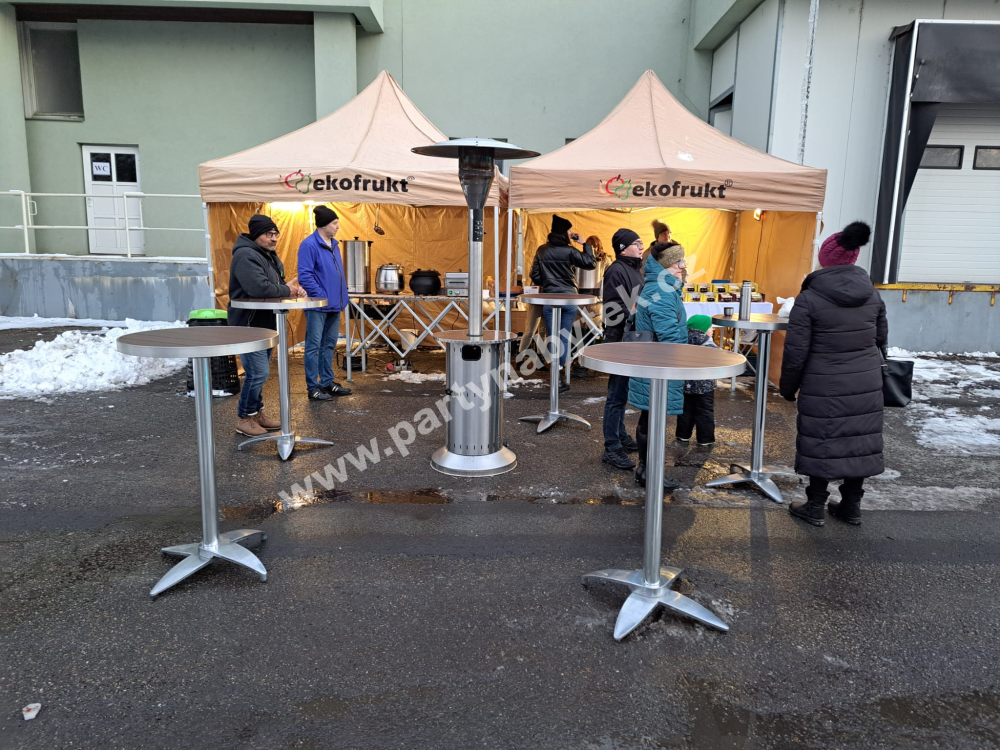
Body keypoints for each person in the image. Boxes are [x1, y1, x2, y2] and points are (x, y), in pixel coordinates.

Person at [780, 222, 887, 527]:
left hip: (824, 380)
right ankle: (851, 506)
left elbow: (796, 351)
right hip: (865, 380)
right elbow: (881, 339)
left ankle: (815, 506)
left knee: (822, 439)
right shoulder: (872, 293)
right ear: (853, 258)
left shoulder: (809, 297)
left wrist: (788, 388)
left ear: (824, 259)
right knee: (858, 440)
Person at [228, 214, 306, 437]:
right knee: (258, 373)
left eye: (276, 234)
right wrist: (286, 290)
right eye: (268, 234)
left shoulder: (268, 255)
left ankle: (256, 413)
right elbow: (258, 288)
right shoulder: (245, 255)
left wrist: (288, 288)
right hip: (248, 325)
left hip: (266, 323)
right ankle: (244, 417)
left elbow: (274, 285)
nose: (274, 239)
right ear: (256, 235)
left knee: (259, 373)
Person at [628, 241, 689, 490]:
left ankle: (646, 470)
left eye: (683, 261)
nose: (683, 266)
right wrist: (684, 360)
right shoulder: (662, 291)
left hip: (653, 361)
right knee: (652, 420)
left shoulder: (661, 287)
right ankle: (649, 472)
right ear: (665, 266)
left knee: (650, 417)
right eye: (678, 262)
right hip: (659, 363)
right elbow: (669, 334)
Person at [529, 214, 597, 392]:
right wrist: (584, 243)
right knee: (564, 337)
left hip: (550, 299)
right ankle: (559, 373)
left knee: (553, 337)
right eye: (569, 231)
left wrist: (547, 281)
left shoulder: (542, 250)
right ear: (565, 232)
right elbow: (590, 263)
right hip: (569, 299)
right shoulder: (570, 251)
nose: (571, 233)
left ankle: (556, 376)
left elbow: (534, 275)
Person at [599, 228, 645, 470]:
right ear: (623, 248)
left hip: (631, 337)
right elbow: (613, 308)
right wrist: (636, 310)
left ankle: (620, 435)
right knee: (616, 395)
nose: (641, 246)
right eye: (636, 243)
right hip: (620, 339)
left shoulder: (634, 269)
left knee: (622, 392)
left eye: (641, 242)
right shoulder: (617, 270)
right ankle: (612, 447)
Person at [297, 205, 352, 401]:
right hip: (318, 305)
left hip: (334, 304)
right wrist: (321, 296)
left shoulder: (334, 244)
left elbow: (337, 274)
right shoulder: (309, 245)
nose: (338, 226)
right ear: (323, 225)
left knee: (329, 344)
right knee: (313, 346)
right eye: (334, 223)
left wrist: (342, 297)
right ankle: (313, 387)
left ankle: (327, 382)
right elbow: (305, 275)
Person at [675, 315, 718, 446]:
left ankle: (683, 435)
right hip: (705, 387)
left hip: (685, 384)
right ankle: (705, 439)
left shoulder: (682, 341)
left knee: (685, 410)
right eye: (710, 327)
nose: (713, 330)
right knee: (705, 412)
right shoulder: (708, 345)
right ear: (703, 329)